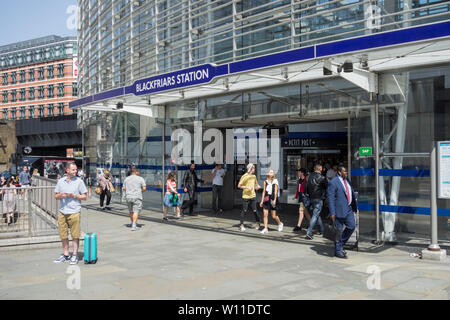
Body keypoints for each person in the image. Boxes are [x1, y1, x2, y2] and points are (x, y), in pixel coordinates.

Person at [53, 163, 88, 265]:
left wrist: (75, 196)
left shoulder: (79, 181)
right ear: (67, 170)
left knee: (75, 234)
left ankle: (75, 255)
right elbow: (55, 196)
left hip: (74, 211)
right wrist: (61, 195)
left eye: (76, 170)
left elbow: (85, 197)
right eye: (73, 170)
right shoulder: (60, 181)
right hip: (62, 211)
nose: (75, 171)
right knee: (63, 234)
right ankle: (66, 254)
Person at [327, 165, 357, 259]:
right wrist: (332, 213)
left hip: (348, 209)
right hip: (338, 210)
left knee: (352, 226)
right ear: (339, 172)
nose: (346, 173)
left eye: (346, 171)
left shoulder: (346, 180)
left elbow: (350, 192)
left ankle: (340, 244)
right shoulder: (333, 182)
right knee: (338, 231)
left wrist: (353, 206)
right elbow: (330, 198)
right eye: (345, 171)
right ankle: (338, 251)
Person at [304, 163, 328, 240]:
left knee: (316, 214)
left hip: (310, 197)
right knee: (315, 214)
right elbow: (327, 187)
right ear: (320, 169)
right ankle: (309, 232)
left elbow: (305, 188)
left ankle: (322, 230)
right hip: (318, 198)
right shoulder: (322, 177)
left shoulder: (308, 176)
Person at [237, 163, 261, 231]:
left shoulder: (254, 176)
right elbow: (239, 186)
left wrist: (257, 187)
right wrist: (246, 187)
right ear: (250, 168)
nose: (254, 169)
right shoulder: (244, 176)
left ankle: (258, 223)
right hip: (246, 196)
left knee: (255, 210)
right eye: (253, 168)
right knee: (244, 210)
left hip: (253, 195)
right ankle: (241, 225)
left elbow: (256, 184)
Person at [259, 169, 283, 234]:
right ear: (268, 174)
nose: (271, 173)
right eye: (270, 172)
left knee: (273, 216)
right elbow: (264, 191)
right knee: (265, 214)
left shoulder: (275, 181)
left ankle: (280, 223)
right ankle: (265, 228)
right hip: (266, 198)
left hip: (272, 198)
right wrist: (261, 201)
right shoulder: (265, 182)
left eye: (272, 172)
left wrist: (275, 200)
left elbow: (275, 192)